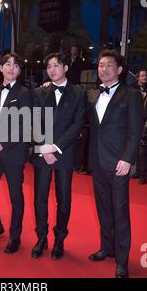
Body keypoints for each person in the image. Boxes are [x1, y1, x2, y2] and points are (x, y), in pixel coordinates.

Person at [87, 50, 142, 278]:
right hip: (97, 162)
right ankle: (107, 247)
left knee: (120, 212)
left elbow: (135, 130)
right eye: (101, 65)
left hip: (119, 162)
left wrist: (128, 159)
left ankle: (122, 260)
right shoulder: (91, 95)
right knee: (103, 209)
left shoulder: (131, 95)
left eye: (109, 65)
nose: (104, 69)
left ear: (119, 70)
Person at [30, 52, 86, 260]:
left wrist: (55, 147)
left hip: (64, 153)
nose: (52, 69)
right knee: (39, 198)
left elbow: (77, 124)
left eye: (56, 65)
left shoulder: (79, 93)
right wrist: (44, 147)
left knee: (64, 200)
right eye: (49, 66)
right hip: (42, 154)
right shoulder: (38, 92)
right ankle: (41, 237)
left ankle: (60, 238)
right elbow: (34, 121)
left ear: (66, 68)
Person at [0, 53, 32, 254]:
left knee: (15, 196)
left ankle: (15, 236)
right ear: (1, 68)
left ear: (19, 71)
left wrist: (2, 143)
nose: (11, 68)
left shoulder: (25, 92)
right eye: (7, 64)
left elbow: (24, 123)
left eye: (16, 65)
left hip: (13, 152)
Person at [130, 68, 147, 185]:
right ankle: (137, 170)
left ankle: (143, 175)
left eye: (146, 75)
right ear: (137, 77)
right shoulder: (131, 87)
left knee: (143, 151)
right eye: (142, 76)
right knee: (135, 150)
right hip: (133, 122)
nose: (144, 78)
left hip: (146, 124)